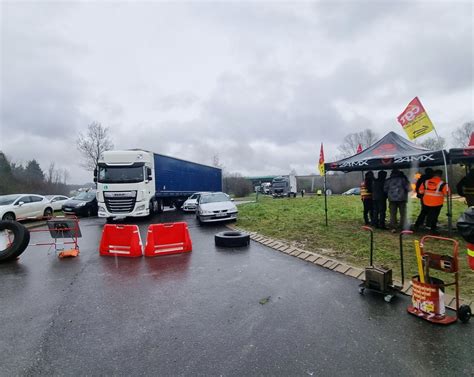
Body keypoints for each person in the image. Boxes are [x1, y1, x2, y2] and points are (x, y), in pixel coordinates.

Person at [419, 169, 449, 234]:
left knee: (423, 213)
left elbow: (420, 191)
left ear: (433, 174)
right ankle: (433, 229)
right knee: (434, 216)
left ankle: (417, 226)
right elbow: (447, 193)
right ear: (441, 175)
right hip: (437, 203)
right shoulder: (442, 183)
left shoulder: (425, 182)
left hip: (426, 202)